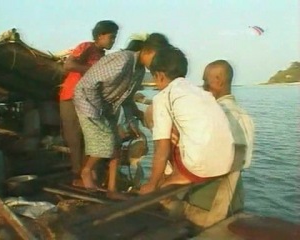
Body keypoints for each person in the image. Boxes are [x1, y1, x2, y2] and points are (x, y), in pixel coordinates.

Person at [73, 33, 171, 191]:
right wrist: (97, 111)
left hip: (106, 107)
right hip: (88, 101)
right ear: (148, 51)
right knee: (106, 141)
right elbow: (89, 84)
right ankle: (86, 172)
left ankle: (112, 189)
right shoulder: (123, 59)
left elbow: (127, 99)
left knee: (116, 145)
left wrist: (135, 119)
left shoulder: (138, 71)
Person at [139, 48, 234, 194]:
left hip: (200, 168)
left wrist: (152, 183)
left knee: (163, 131)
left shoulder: (163, 96)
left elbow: (162, 148)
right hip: (225, 164)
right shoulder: (201, 92)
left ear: (159, 76)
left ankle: (176, 175)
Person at [59, 20, 119, 185]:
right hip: (70, 96)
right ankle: (77, 175)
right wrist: (95, 71)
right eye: (111, 37)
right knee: (75, 137)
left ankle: (87, 172)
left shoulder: (103, 56)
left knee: (89, 136)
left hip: (88, 99)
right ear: (100, 36)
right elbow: (68, 65)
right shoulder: (86, 47)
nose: (114, 41)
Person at [202, 60, 254, 170]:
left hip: (216, 182)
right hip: (235, 182)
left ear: (219, 81)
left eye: (206, 82)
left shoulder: (216, 114)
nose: (203, 87)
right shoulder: (245, 116)